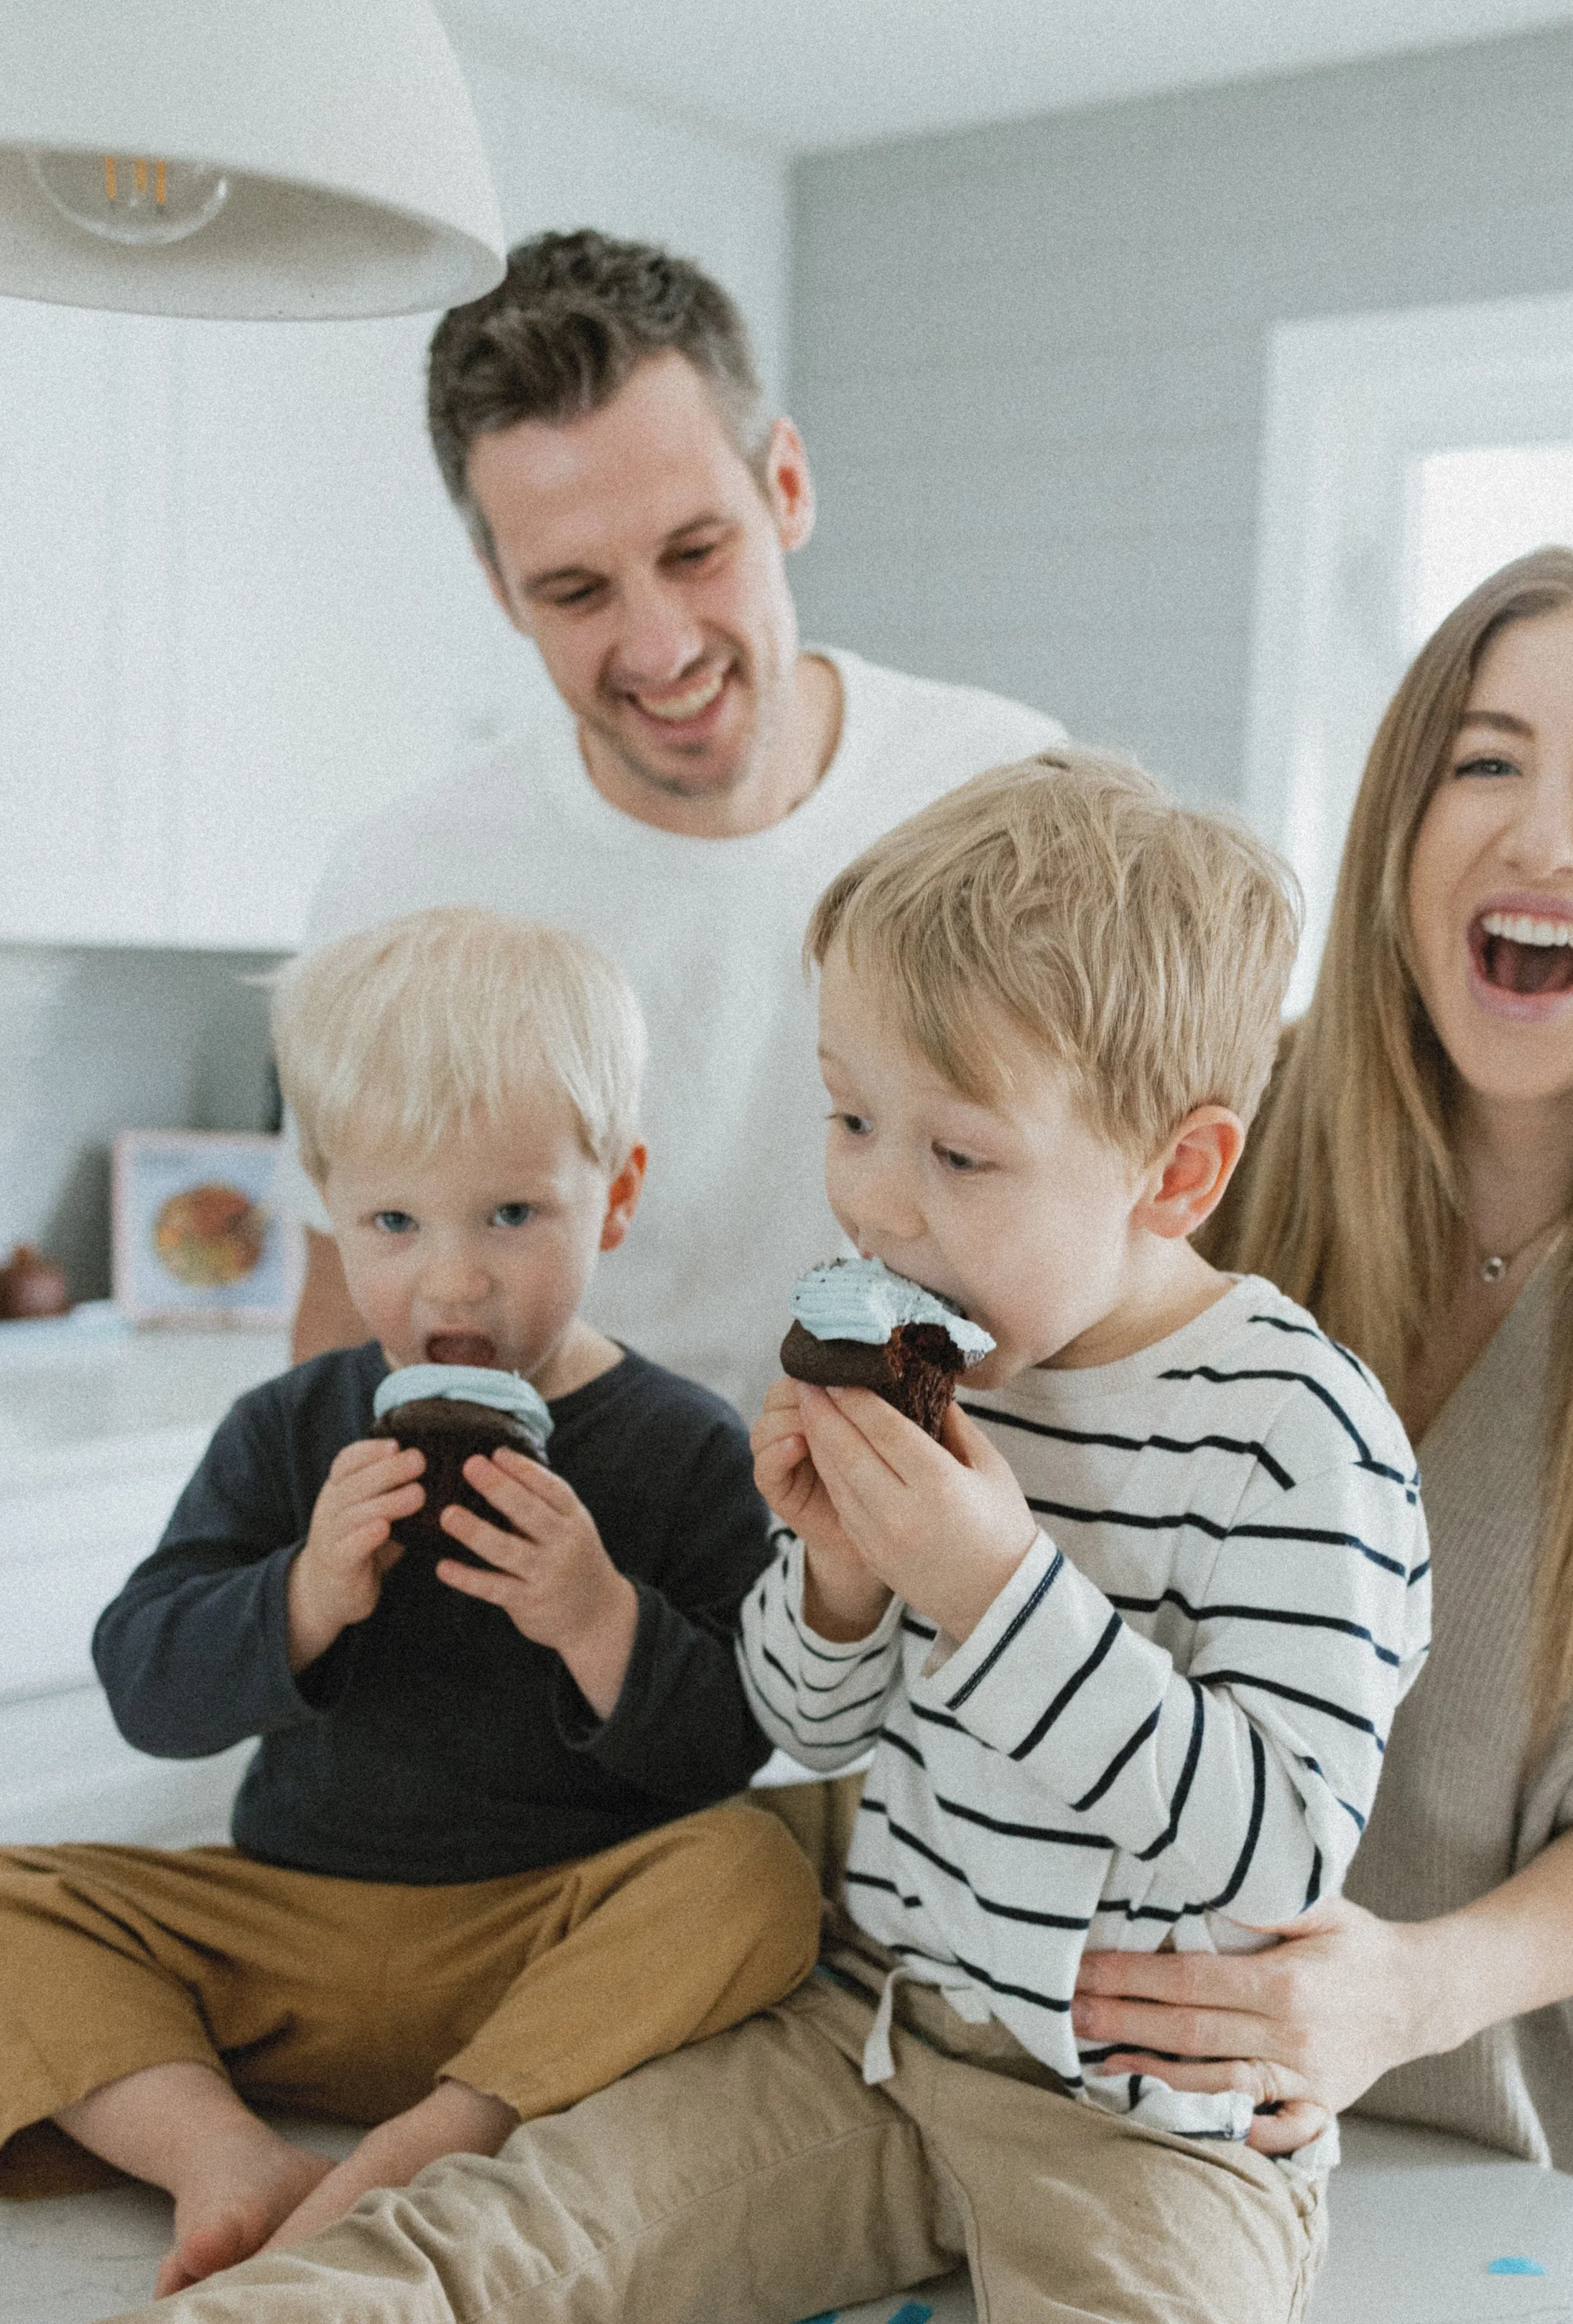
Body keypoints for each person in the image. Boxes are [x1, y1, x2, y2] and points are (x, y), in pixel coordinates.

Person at [119, 749, 1432, 2324]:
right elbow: (809, 1726)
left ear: (1176, 1171)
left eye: (956, 1154)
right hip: (867, 2034)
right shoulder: (942, 1369)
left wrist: (988, 1585)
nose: (874, 1204)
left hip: (1147, 2125)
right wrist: (836, 1582)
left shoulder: (1296, 1435)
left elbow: (1274, 1843)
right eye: (851, 1117)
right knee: (491, 2248)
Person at [1069, 550, 1573, 2221]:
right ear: (1397, 823)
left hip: (1534, 2181)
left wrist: (1399, 1993)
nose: (1543, 836)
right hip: (1116, 2135)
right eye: (1483, 760)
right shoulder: (1209, 1157)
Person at [0, 907, 819, 2296]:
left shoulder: (679, 1441)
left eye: (512, 1213)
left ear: (612, 1196)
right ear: (326, 1200)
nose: (452, 1276)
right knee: (17, 1894)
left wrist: (598, 1620)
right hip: (284, 1928)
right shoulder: (292, 1425)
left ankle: (438, 2139)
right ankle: (219, 2153)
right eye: (393, 1220)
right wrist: (303, 1596)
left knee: (758, 1875)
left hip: (548, 1939)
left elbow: (730, 1742)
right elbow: (145, 1682)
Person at [281, 229, 1062, 1421]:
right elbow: (341, 1327)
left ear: (786, 487)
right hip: (572, 1554)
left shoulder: (1010, 797)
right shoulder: (403, 885)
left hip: (942, 1548)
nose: (658, 648)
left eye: (695, 553)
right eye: (576, 592)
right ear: (501, 590)